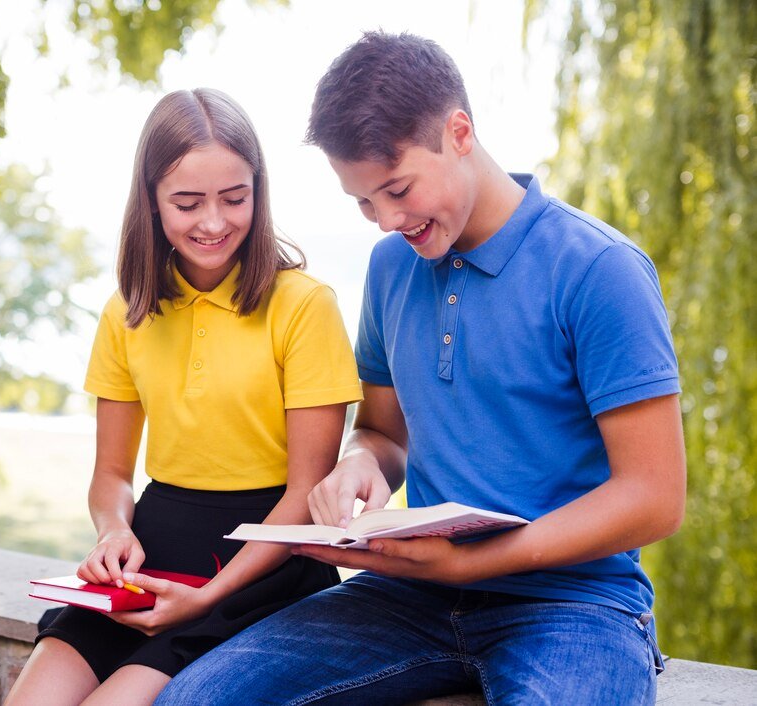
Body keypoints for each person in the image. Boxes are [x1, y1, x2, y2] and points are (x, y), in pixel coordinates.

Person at [157, 32, 686, 705]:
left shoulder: (597, 270)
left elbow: (655, 496)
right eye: (364, 202)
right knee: (192, 701)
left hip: (575, 605)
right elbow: (384, 433)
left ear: (458, 132)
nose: (385, 221)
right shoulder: (391, 267)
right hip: (413, 596)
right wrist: (360, 466)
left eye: (397, 189)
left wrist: (472, 561)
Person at [4, 88, 362, 706]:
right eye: (187, 203)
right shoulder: (127, 312)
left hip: (263, 562)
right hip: (155, 548)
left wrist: (208, 597)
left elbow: (306, 494)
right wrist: (112, 531)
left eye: (235, 198)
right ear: (151, 202)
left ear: (259, 191)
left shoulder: (304, 305)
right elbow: (112, 475)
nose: (214, 222)